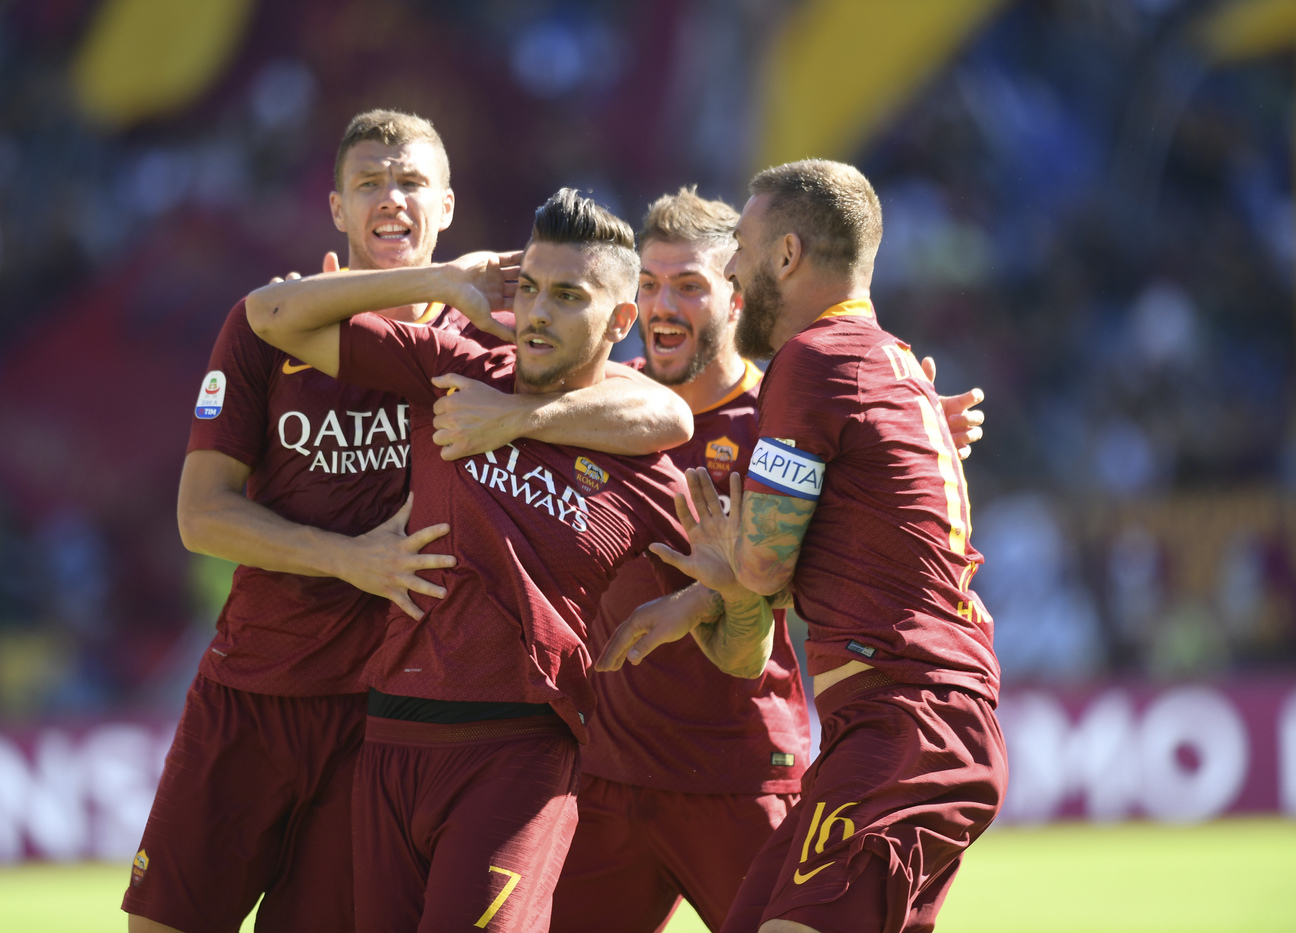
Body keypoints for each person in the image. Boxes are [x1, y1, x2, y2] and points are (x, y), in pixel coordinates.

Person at [122, 113, 691, 933]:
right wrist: (351, 559)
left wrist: (513, 417)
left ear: (448, 204)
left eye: (412, 182)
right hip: (258, 682)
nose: (392, 199)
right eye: (369, 184)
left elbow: (657, 408)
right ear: (336, 207)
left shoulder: (485, 348)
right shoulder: (282, 328)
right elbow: (200, 514)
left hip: (380, 712)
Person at [245, 188, 708, 933]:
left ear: (622, 322)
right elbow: (268, 315)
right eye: (528, 289)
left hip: (520, 748)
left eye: (566, 295)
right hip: (392, 733)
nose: (538, 314)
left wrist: (691, 604)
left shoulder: (642, 461)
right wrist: (434, 280)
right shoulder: (453, 371)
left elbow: (741, 574)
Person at [603, 161, 1006, 933]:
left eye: (741, 252)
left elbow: (759, 566)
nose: (735, 271)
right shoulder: (887, 361)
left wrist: (722, 564)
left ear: (786, 256)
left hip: (905, 724)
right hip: (903, 722)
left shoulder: (814, 361)